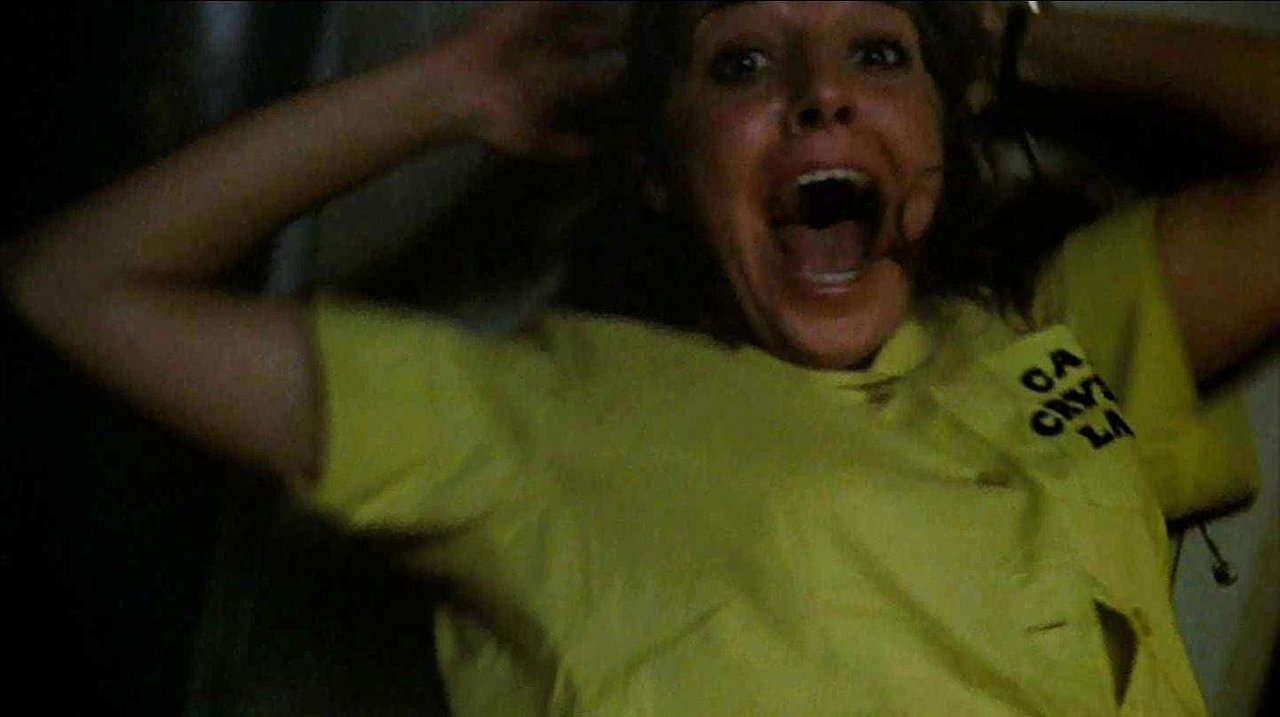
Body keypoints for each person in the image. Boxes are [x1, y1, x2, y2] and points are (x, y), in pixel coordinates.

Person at [3, 1, 1277, 714]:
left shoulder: (1049, 333)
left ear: (941, 133)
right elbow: (75, 285)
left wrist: (1018, 35)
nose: (820, 91)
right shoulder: (544, 414)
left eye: (878, 53)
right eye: (742, 62)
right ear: (664, 171)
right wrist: (447, 94)